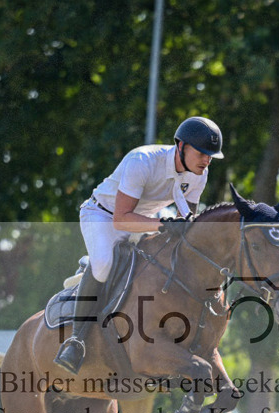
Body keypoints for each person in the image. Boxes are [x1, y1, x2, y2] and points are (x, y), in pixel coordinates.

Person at [53, 116, 225, 374]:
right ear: (181, 146)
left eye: (211, 156)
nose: (207, 160)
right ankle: (76, 341)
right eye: (202, 153)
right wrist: (162, 225)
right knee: (103, 264)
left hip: (145, 220)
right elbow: (121, 219)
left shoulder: (199, 175)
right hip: (104, 216)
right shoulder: (142, 161)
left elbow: (185, 220)